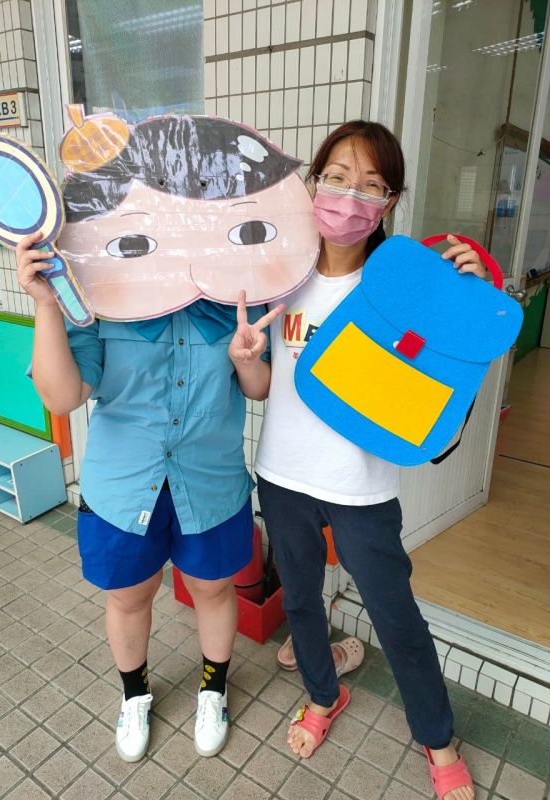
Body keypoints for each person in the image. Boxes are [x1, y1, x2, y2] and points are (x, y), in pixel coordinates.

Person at [15, 113, 300, 763]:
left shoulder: (238, 289)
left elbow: (257, 388)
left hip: (211, 482)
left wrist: (246, 358)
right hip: (122, 489)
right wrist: (45, 302)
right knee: (129, 598)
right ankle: (134, 695)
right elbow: (62, 396)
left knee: (214, 590)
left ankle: (213, 688)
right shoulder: (100, 289)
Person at [233, 120, 483, 800]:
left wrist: (465, 295)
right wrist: (246, 362)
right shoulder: (282, 274)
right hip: (282, 475)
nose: (350, 198)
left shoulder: (402, 286)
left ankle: (437, 738)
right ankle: (323, 694)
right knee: (301, 601)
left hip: (362, 486)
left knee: (396, 618)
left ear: (390, 201)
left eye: (371, 185)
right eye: (338, 178)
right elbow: (263, 386)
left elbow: (443, 379)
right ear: (314, 183)